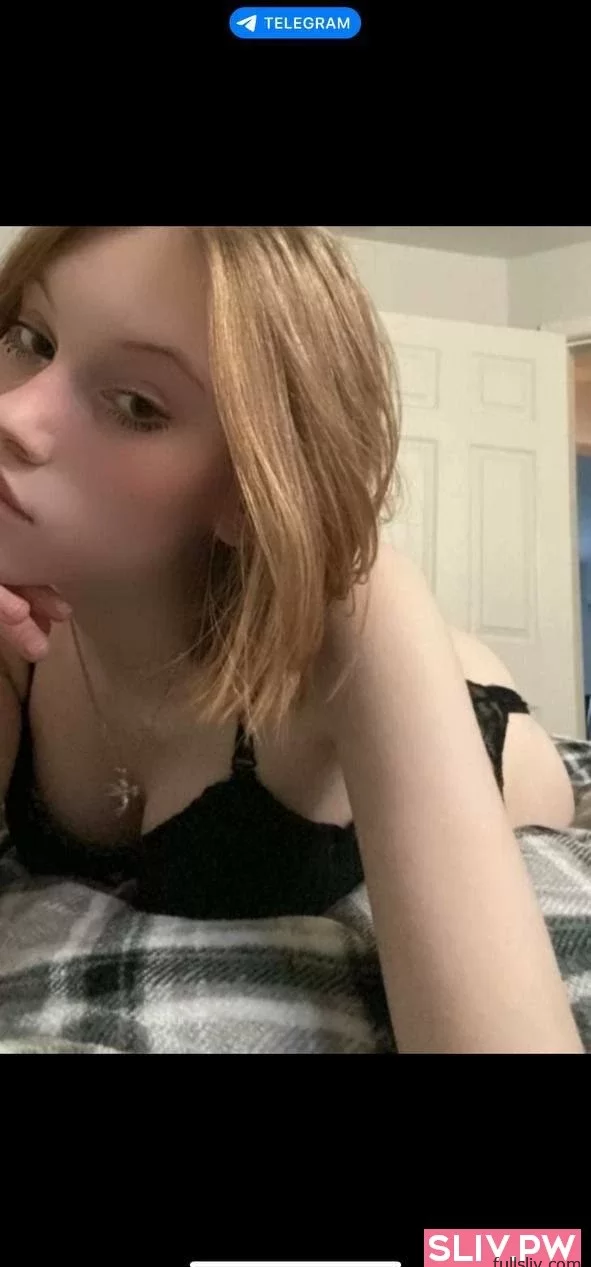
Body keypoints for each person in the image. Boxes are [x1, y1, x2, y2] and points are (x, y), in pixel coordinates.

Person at [0, 225, 582, 1053]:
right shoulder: (17, 615)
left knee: (398, 630)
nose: (13, 415)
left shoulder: (356, 608)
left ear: (248, 486)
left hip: (469, 728)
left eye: (136, 404)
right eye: (31, 339)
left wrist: (399, 654)